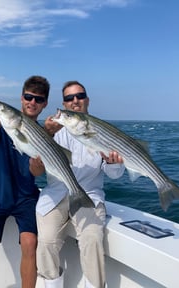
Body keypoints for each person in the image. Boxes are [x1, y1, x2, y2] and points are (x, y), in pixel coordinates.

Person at [36, 80, 125, 288]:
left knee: (92, 239)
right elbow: (36, 158)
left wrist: (113, 163)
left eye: (79, 96)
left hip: (89, 195)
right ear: (65, 104)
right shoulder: (54, 131)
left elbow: (114, 174)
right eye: (69, 98)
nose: (75, 101)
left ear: (87, 100)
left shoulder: (102, 131)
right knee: (46, 242)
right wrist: (47, 133)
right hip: (55, 195)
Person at [0, 75, 50, 288]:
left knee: (30, 244)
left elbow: (37, 172)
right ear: (21, 99)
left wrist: (37, 167)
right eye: (28, 97)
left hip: (26, 197)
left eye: (38, 99)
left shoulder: (43, 135)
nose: (32, 102)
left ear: (44, 104)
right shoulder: (2, 124)